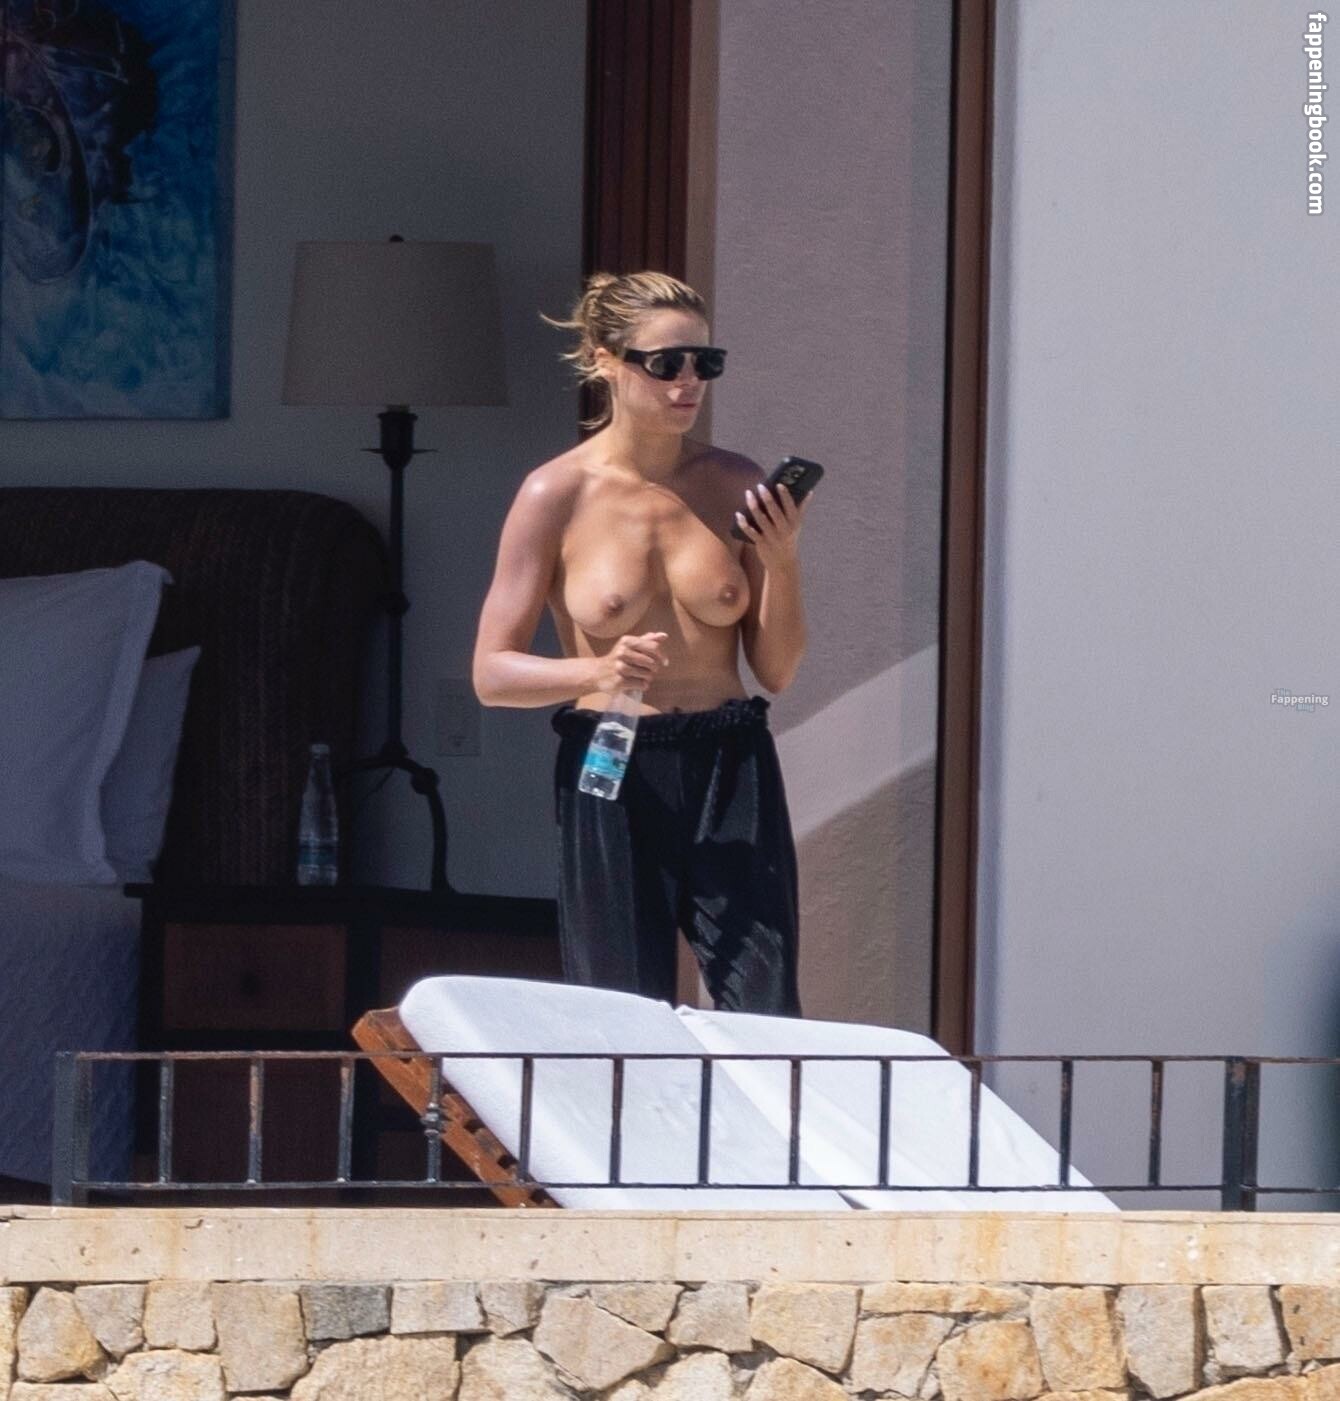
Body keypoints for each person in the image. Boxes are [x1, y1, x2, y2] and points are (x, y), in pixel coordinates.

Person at [471, 270, 813, 1014]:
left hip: (730, 757)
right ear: (605, 360)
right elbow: (491, 674)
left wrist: (782, 561)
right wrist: (596, 669)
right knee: (620, 1011)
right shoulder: (555, 493)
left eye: (705, 363)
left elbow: (777, 669)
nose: (689, 383)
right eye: (665, 364)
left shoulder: (735, 482)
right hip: (613, 754)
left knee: (766, 1008)